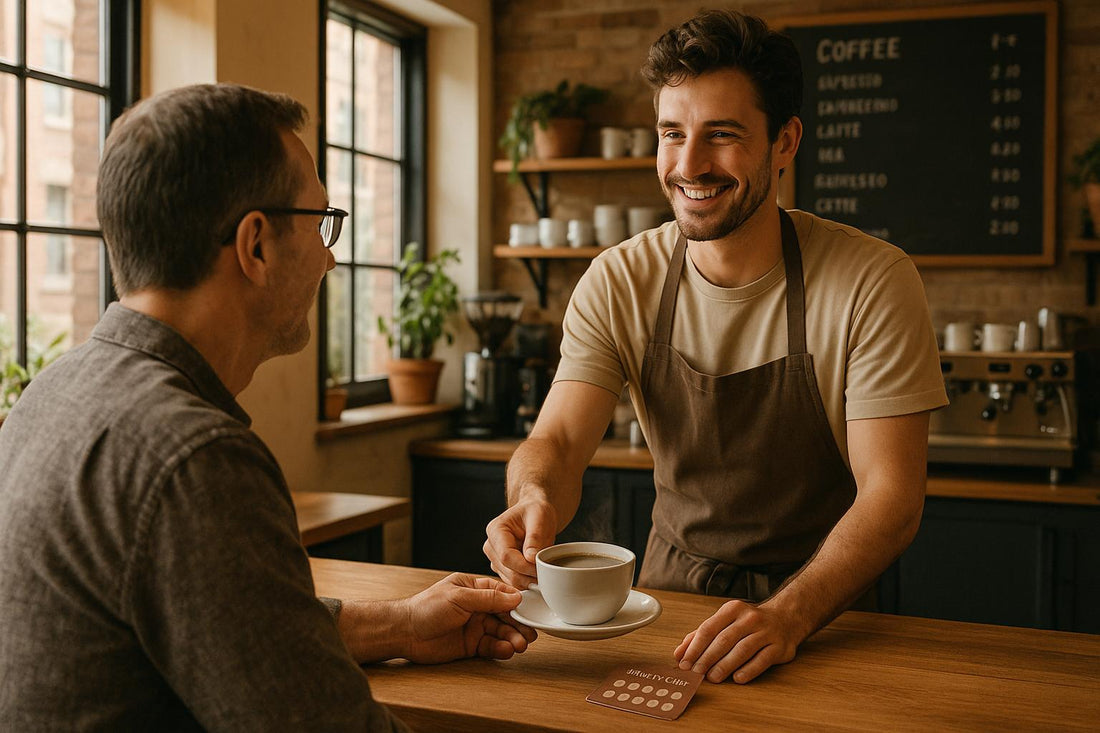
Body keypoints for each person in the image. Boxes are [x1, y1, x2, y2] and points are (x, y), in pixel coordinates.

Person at [0, 83, 534, 731]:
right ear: (256, 244)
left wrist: (401, 624)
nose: (329, 256)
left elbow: (228, 628)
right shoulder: (195, 457)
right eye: (319, 221)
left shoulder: (49, 393)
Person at [484, 9, 947, 686]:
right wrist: (533, 495)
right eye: (672, 134)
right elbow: (555, 439)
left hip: (827, 616)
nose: (689, 165)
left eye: (722, 135)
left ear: (785, 141)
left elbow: (892, 496)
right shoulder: (618, 279)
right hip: (669, 608)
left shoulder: (872, 280)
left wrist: (789, 616)